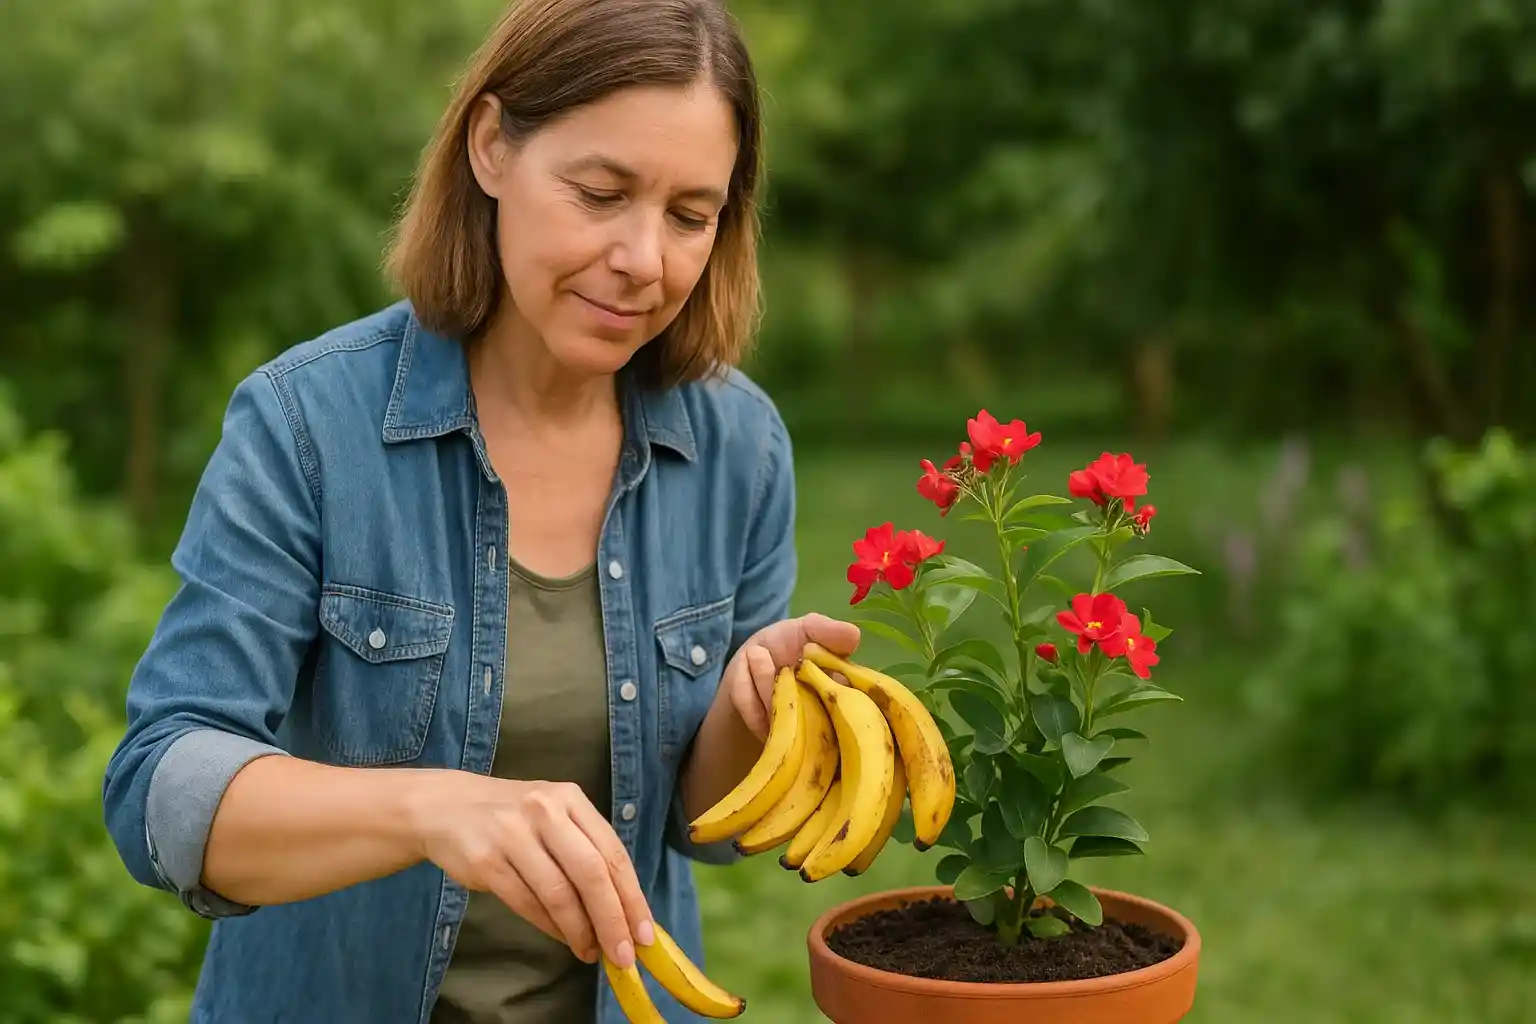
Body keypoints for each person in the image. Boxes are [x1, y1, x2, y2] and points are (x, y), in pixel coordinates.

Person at [100, 1, 860, 1021]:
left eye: (689, 214)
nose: (645, 257)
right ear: (493, 145)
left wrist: (745, 716)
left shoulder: (738, 445)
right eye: (601, 193)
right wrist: (431, 807)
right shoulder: (306, 423)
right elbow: (161, 789)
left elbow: (704, 824)